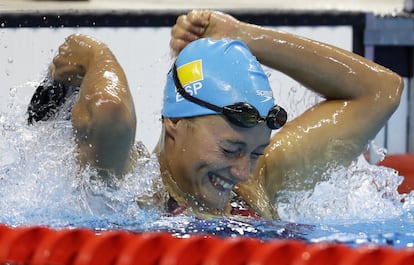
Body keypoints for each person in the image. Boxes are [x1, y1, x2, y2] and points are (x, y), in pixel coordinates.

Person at [28, 10, 403, 220]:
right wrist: (96, 56)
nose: (244, 170)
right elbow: (110, 113)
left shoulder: (257, 187)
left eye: (256, 153)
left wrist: (243, 36)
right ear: (174, 122)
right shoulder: (131, 187)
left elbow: (381, 90)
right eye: (229, 150)